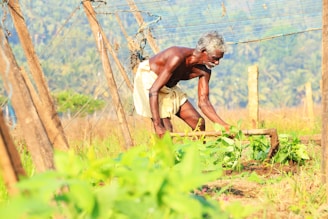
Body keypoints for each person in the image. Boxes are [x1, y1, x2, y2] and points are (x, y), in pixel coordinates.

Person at [133, 31, 231, 137]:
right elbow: (154, 90)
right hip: (150, 81)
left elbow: (204, 102)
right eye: (215, 58)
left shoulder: (205, 71)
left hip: (168, 86)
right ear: (203, 51)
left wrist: (224, 125)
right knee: (165, 131)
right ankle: (164, 152)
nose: (217, 63)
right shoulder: (177, 57)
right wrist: (157, 125)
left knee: (199, 123)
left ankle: (197, 152)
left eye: (219, 59)